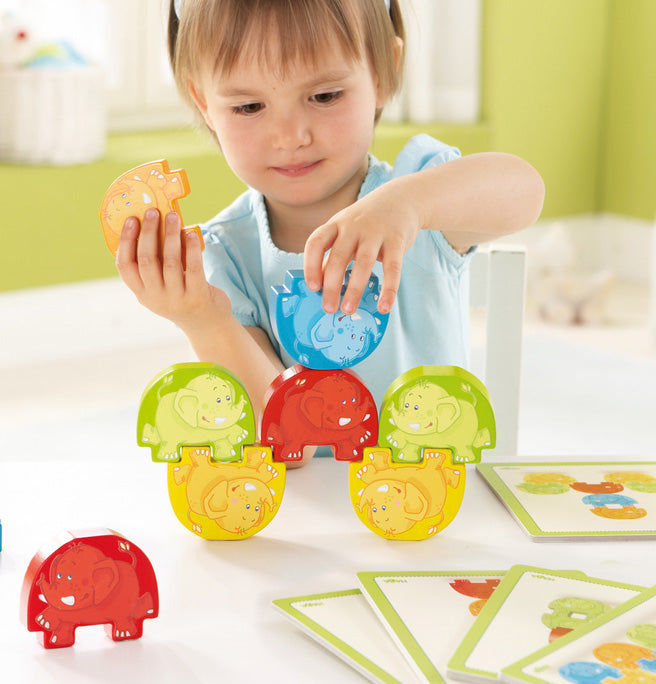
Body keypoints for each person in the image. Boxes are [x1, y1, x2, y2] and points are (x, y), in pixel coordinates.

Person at [116, 0, 545, 465]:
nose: (290, 135)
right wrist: (205, 319)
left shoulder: (419, 198)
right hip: (313, 524)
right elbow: (285, 445)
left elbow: (526, 192)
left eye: (324, 96)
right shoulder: (224, 254)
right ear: (204, 102)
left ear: (383, 73)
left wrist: (412, 203)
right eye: (249, 106)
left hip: (429, 507)